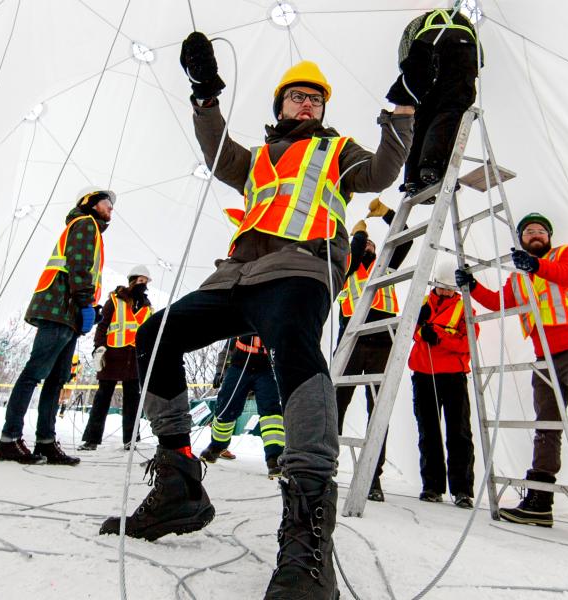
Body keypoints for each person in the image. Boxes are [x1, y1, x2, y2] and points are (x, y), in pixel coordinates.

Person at [99, 30, 422, 600]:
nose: (306, 104)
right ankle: (178, 477)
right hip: (237, 276)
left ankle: (306, 529)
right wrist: (205, 94)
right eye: (297, 96)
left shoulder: (336, 151)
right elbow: (218, 153)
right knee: (154, 335)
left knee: (297, 349)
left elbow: (381, 174)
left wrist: (401, 107)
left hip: (299, 270)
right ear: (278, 106)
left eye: (314, 99)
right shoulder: (256, 160)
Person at [456, 212, 568, 545]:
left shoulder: (565, 255)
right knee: (546, 428)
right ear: (521, 240)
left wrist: (536, 267)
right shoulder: (520, 277)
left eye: (540, 231)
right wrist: (472, 286)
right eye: (528, 231)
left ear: (548, 237)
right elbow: (499, 302)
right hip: (545, 357)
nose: (535, 234)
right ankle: (539, 501)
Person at [0, 187, 113, 466]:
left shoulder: (90, 228)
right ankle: (8, 439)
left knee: (56, 379)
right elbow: (79, 264)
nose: (111, 209)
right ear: (91, 203)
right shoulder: (85, 224)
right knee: (34, 373)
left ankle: (46, 441)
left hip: (67, 311)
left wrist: (88, 307)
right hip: (59, 308)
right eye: (107, 203)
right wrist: (85, 301)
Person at [334, 197, 413, 502]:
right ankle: (326, 465)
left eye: (371, 244)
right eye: (365, 244)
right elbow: (351, 256)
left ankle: (372, 476)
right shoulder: (347, 269)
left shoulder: (385, 267)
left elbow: (403, 238)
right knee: (337, 405)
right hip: (352, 342)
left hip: (382, 341)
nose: (369, 247)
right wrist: (357, 236)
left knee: (377, 411)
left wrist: (386, 215)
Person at [408, 257, 477, 508]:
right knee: (428, 431)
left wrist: (438, 338)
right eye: (442, 286)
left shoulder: (465, 309)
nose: (446, 291)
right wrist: (419, 325)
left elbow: (467, 344)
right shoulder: (421, 303)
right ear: (434, 284)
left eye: (450, 288)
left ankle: (462, 490)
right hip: (424, 373)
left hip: (453, 376)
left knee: (458, 432)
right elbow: (409, 332)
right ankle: (432, 486)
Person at [396, 8, 482, 198]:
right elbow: (479, 56)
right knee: (452, 105)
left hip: (423, 50)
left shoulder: (417, 23)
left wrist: (412, 80)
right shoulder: (463, 22)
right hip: (461, 47)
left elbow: (404, 57)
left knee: (421, 113)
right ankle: (431, 164)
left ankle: (412, 179)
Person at [78, 266, 154, 451]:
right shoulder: (115, 300)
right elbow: (103, 326)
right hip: (112, 355)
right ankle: (92, 439)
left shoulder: (147, 307)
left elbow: (150, 332)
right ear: (132, 281)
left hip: (134, 358)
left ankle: (131, 440)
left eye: (146, 282)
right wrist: (99, 347)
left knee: (132, 401)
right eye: (140, 281)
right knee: (102, 398)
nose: (143, 285)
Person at [199, 335, 285, 478]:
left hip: (266, 371)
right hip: (238, 367)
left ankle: (274, 458)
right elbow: (226, 350)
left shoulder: (272, 319)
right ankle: (217, 446)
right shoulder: (243, 319)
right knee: (226, 407)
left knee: (271, 413)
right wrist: (219, 372)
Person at [58, 353, 82, 418]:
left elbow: (80, 375)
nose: (73, 365)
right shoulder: (67, 363)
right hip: (64, 381)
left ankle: (62, 412)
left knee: (66, 398)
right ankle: (55, 409)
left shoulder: (80, 366)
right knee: (60, 396)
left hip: (71, 383)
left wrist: (74, 376)